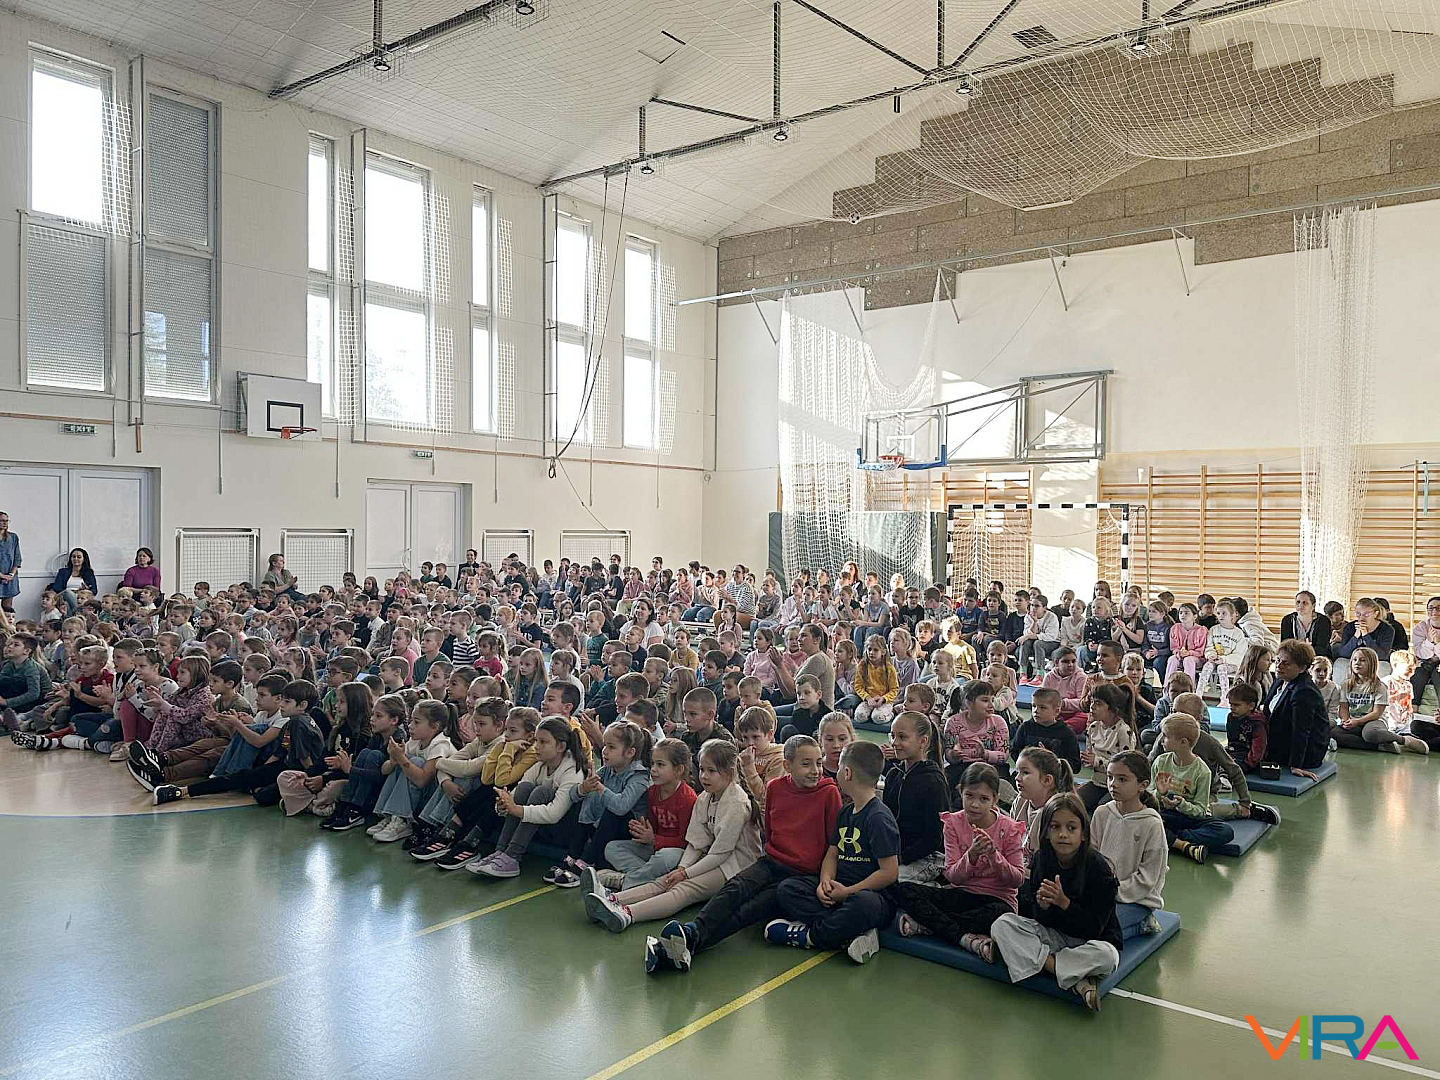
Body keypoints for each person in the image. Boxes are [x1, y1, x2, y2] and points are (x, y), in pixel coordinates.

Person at [644, 733, 840, 974]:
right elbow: (771, 830)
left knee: (749, 909)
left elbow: (834, 843)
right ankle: (690, 935)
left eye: (818, 763)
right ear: (788, 766)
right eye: (806, 764)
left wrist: (824, 878)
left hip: (801, 873)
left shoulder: (829, 793)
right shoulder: (775, 787)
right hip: (772, 861)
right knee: (734, 888)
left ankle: (682, 943)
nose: (815, 770)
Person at [585, 739, 761, 933]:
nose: (704, 776)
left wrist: (685, 873)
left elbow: (721, 854)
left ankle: (628, 914)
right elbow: (696, 843)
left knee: (683, 889)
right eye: (702, 769)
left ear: (730, 772)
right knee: (667, 880)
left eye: (711, 771)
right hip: (713, 859)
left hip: (736, 867)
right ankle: (610, 899)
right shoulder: (705, 797)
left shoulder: (736, 803)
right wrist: (682, 868)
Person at [766, 740, 900, 964]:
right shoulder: (846, 812)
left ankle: (811, 936)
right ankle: (848, 932)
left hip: (868, 895)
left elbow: (889, 872)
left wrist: (848, 892)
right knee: (788, 889)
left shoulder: (878, 817)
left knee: (864, 905)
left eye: (838, 768)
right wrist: (825, 882)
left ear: (847, 773)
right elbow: (832, 854)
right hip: (839, 890)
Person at [990, 793, 1121, 1011]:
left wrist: (1064, 903)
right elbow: (1038, 916)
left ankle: (1042, 961)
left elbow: (1095, 928)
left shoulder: (1099, 868)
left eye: (1071, 828)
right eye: (1055, 827)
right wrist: (1042, 907)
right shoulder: (1042, 859)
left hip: (1088, 941)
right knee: (1002, 925)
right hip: (1053, 935)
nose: (1063, 834)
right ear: (1046, 832)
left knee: (1108, 957)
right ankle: (1075, 978)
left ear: (1083, 834)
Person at [889, 762, 1026, 960]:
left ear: (995, 799)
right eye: (969, 796)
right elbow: (952, 876)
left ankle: (930, 925)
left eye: (984, 799)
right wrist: (971, 855)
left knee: (1000, 917)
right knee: (903, 889)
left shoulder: (1010, 829)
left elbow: (1017, 880)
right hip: (961, 895)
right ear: (960, 792)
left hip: (996, 901)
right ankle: (963, 937)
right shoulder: (953, 823)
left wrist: (993, 856)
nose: (975, 804)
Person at [470, 716, 589, 878]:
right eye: (536, 741)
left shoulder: (573, 770)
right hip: (541, 828)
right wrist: (503, 805)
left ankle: (512, 856)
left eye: (543, 742)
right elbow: (517, 794)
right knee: (524, 788)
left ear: (560, 746)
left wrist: (516, 809)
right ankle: (501, 851)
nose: (536, 746)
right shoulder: (540, 765)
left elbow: (554, 814)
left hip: (564, 832)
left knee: (541, 792)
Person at [590, 738, 697, 890]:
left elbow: (686, 841)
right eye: (653, 763)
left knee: (663, 858)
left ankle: (625, 881)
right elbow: (653, 826)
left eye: (660, 765)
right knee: (612, 848)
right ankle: (649, 879)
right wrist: (643, 830)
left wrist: (654, 839)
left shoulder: (687, 799)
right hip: (654, 847)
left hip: (676, 852)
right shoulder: (652, 792)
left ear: (679, 770)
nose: (653, 769)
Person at [1091, 752, 1167, 917]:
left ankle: (1145, 923)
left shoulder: (1151, 823)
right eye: (1110, 777)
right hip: (1100, 893)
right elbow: (1091, 856)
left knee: (1102, 926)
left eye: (1122, 779)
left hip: (1138, 901)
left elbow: (1148, 877)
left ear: (1143, 785)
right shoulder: (1102, 813)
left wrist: (1112, 891)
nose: (1113, 784)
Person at [1153, 708, 1233, 863]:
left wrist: (1181, 804)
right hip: (1165, 814)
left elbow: (1201, 810)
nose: (1161, 739)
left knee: (1225, 831)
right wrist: (1159, 793)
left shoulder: (1202, 771)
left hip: (1189, 818)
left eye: (1166, 736)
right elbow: (1148, 796)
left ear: (1183, 742)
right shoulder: (1161, 762)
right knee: (1145, 821)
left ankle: (1173, 838)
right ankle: (1184, 844)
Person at [879, 710, 950, 883]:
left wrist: (899, 858)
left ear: (923, 741)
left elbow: (933, 838)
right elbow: (887, 820)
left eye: (902, 737)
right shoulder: (893, 775)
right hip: (896, 853)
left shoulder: (933, 781)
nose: (894, 743)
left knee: (887, 881)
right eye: (893, 736)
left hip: (927, 857)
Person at [1335, 598, 1395, 664]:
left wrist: (1366, 636)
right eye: (1358, 614)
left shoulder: (1387, 629)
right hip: (1354, 661)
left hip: (1376, 662)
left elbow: (1382, 656)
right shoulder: (1349, 627)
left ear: (1375, 614)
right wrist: (1356, 636)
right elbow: (1343, 653)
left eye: (1366, 615)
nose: (1361, 618)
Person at [1281, 591, 1332, 660]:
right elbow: (1285, 645)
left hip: (1318, 657)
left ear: (1313, 606)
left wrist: (1305, 650)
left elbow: (1322, 648)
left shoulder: (1323, 621)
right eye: (1298, 602)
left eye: (1305, 603)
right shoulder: (1287, 620)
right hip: (1294, 657)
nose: (1300, 605)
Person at [50, 548, 97, 614]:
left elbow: (94, 590)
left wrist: (85, 590)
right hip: (64, 595)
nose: (75, 559)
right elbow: (57, 588)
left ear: (84, 559)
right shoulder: (63, 572)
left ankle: (72, 617)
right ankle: (79, 612)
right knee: (67, 593)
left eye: (79, 557)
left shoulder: (89, 573)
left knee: (67, 605)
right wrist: (72, 591)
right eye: (73, 557)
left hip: (81, 597)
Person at [0, 511, 19, 615]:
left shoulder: (13, 537)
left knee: (7, 609)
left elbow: (17, 557)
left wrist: (11, 575)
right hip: (2, 575)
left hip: (10, 578)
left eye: (7, 521)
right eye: (2, 520)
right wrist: (2, 576)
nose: (5, 523)